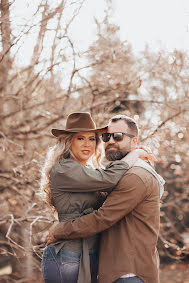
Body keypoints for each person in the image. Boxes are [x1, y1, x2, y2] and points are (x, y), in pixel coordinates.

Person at [47, 114, 165, 283]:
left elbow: (102, 217)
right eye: (106, 136)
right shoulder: (66, 169)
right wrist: (136, 153)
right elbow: (107, 184)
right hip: (71, 254)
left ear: (134, 140)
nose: (110, 141)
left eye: (118, 136)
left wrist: (59, 230)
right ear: (68, 141)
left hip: (124, 270)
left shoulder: (131, 175)